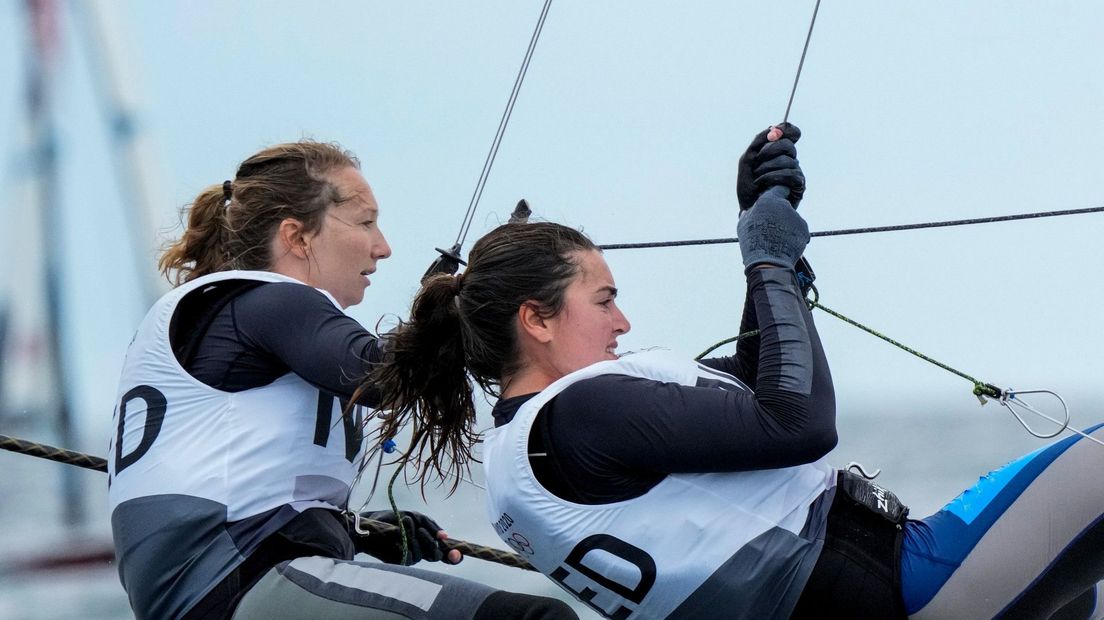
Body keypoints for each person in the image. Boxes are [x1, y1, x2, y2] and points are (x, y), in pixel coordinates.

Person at [369, 125, 1104, 619]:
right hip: (909, 590)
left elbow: (763, 373)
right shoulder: (578, 420)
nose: (622, 322)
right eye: (603, 301)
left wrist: (757, 225)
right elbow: (799, 422)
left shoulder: (536, 448)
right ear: (536, 319)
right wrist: (767, 258)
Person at [107, 140, 577, 620]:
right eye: (365, 222)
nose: (384, 247)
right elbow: (377, 375)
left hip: (224, 584)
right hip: (240, 581)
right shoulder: (270, 301)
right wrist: (468, 298)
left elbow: (242, 492)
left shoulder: (230, 315)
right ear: (297, 237)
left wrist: (354, 529)